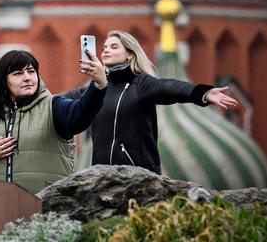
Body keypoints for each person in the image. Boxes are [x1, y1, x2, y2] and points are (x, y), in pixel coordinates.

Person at [0, 48, 107, 194]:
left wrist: (98, 85)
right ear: (3, 81)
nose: (27, 78)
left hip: (44, 213)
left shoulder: (53, 106)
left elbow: (80, 115)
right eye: (18, 73)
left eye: (31, 71)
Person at [88, 29, 238, 173]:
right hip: (102, 178)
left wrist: (202, 93)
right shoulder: (98, 89)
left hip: (137, 177)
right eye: (104, 48)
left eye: (114, 47)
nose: (106, 51)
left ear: (129, 54)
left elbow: (169, 87)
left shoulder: (140, 84)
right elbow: (70, 103)